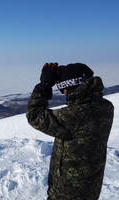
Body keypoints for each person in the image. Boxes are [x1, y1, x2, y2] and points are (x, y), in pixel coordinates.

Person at [26, 63, 114, 200]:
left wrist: (44, 85)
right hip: (90, 187)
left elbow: (34, 115)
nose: (63, 93)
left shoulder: (76, 115)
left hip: (68, 192)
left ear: (72, 86)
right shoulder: (105, 107)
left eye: (63, 88)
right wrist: (67, 74)